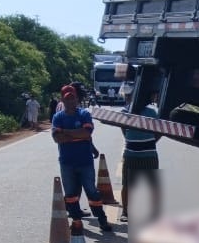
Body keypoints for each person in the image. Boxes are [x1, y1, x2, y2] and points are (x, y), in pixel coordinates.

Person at [51, 85, 111, 232]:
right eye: (67, 99)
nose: (71, 101)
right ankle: (76, 221)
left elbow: (86, 133)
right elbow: (57, 138)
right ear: (63, 100)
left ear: (77, 99)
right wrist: (78, 134)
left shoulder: (84, 114)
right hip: (67, 163)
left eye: (73, 98)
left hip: (85, 161)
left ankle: (102, 220)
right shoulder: (58, 117)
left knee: (92, 192)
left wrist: (66, 132)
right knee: (71, 195)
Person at [120, 88, 161, 223]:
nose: (128, 98)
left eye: (130, 96)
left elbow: (161, 130)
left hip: (148, 153)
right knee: (127, 184)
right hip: (131, 153)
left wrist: (151, 141)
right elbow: (123, 129)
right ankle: (126, 211)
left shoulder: (152, 112)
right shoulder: (124, 112)